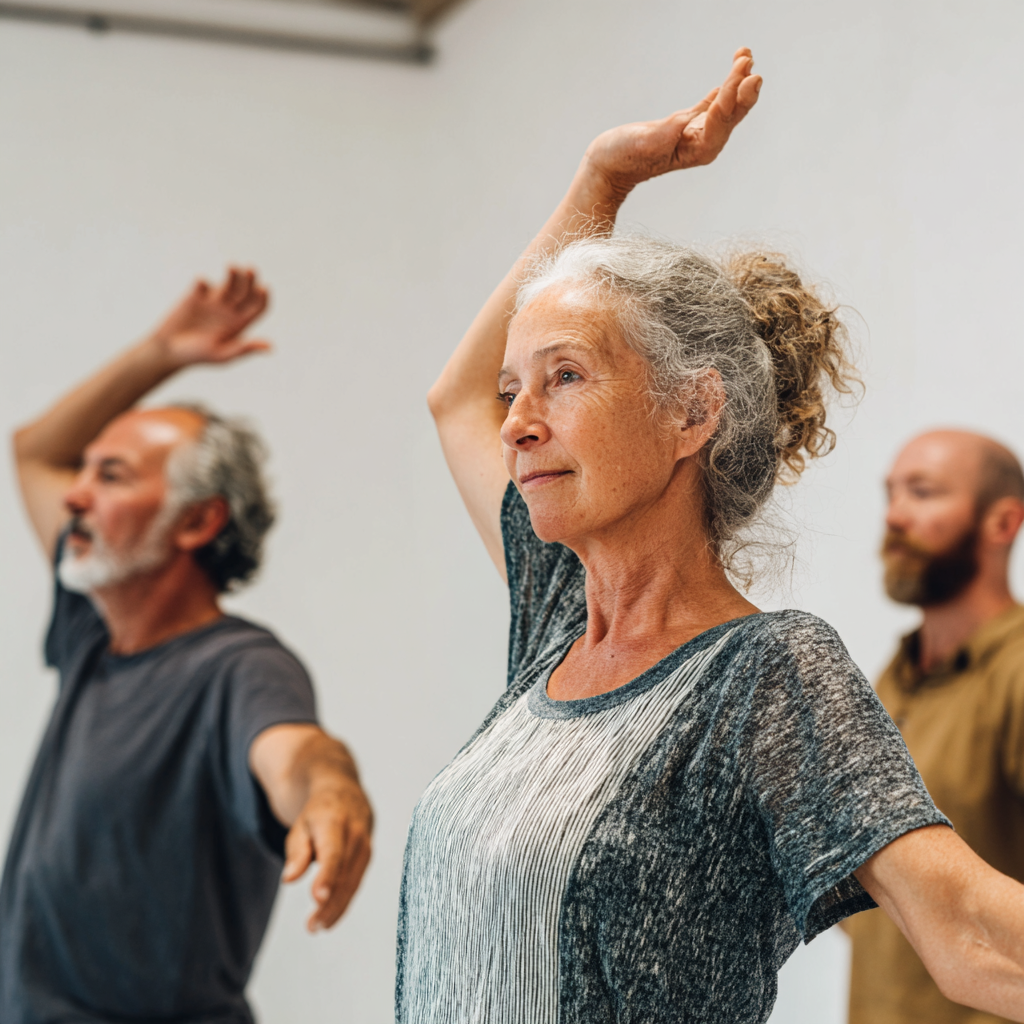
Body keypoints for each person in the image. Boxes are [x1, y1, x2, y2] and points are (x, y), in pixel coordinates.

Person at [402, 48, 1024, 1024]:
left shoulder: (767, 675)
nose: (519, 419)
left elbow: (968, 932)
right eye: (515, 389)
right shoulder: (554, 623)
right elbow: (455, 402)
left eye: (563, 376)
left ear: (691, 413)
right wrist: (604, 182)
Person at [1, 268, 373, 1024]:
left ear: (197, 523)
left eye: (110, 476)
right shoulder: (89, 634)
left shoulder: (241, 665)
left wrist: (331, 792)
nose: (76, 495)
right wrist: (163, 352)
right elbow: (36, 453)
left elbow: (296, 752)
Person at [844, 430, 1024, 1024]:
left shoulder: (1016, 673)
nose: (895, 516)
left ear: (1002, 523)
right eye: (892, 494)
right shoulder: (891, 679)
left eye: (923, 493)